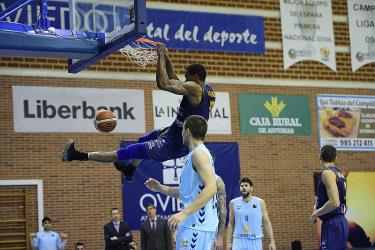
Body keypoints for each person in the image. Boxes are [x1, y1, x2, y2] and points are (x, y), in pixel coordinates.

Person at [61, 44, 216, 182]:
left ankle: (75, 155)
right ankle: (130, 169)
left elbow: (163, 83)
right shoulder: (207, 89)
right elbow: (176, 81)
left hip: (175, 144)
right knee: (142, 139)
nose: (184, 79)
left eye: (187, 76)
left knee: (122, 154)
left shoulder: (194, 88)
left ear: (195, 78)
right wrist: (167, 58)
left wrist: (160, 56)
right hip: (175, 130)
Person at [144, 115, 218, 249]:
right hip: (193, 224)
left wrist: (184, 213)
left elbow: (212, 188)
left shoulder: (199, 154)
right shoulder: (194, 154)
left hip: (197, 225)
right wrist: (160, 187)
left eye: (183, 129)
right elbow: (186, 193)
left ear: (188, 131)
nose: (181, 133)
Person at [311, 145, 349, 250]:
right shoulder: (340, 175)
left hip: (333, 223)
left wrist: (316, 213)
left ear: (320, 157)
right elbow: (343, 204)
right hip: (340, 221)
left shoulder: (327, 173)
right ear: (335, 158)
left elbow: (335, 202)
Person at [227, 177, 276, 250]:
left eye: (246, 186)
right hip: (238, 240)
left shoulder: (260, 202)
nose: (243, 187)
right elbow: (231, 223)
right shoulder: (233, 203)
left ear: (251, 188)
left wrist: (272, 241)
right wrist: (229, 242)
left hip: (255, 240)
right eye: (242, 186)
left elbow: (266, 222)